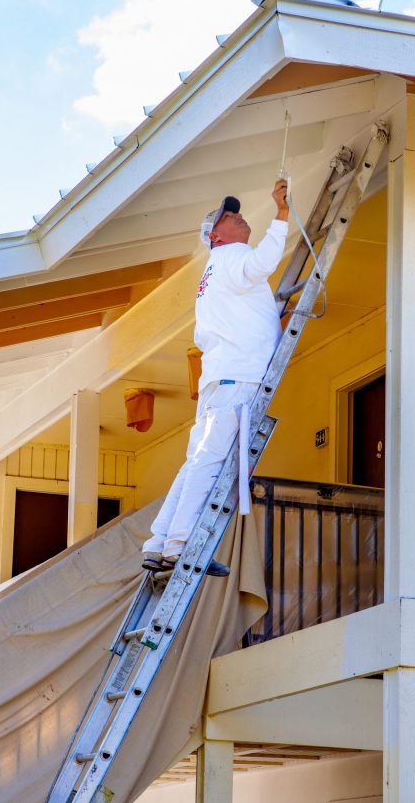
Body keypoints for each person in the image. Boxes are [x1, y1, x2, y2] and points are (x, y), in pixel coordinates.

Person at [142, 179, 289, 574]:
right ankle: (180, 545)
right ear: (218, 235)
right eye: (229, 215)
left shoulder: (213, 271)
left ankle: (158, 541)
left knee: (195, 461)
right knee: (209, 459)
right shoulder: (229, 257)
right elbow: (262, 264)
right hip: (237, 377)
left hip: (220, 378)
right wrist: (283, 215)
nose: (239, 216)